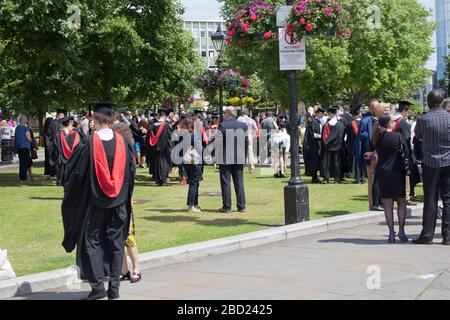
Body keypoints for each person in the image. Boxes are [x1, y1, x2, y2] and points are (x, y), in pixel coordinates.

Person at [61, 102, 136, 300]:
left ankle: (97, 288)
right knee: (116, 243)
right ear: (112, 119)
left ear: (94, 119)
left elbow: (74, 176)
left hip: (94, 204)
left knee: (91, 242)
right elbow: (130, 173)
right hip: (118, 204)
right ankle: (114, 288)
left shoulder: (87, 143)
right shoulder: (123, 143)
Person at [413, 90, 450, 245]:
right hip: (448, 160)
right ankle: (448, 236)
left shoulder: (423, 119)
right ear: (442, 101)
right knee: (448, 199)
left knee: (430, 199)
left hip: (430, 162)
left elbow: (418, 136)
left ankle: (427, 235)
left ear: (428, 102)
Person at [371, 114, 409, 243]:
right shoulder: (397, 137)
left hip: (383, 172)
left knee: (387, 204)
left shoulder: (377, 138)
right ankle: (402, 231)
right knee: (401, 202)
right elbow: (406, 153)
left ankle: (391, 233)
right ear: (389, 123)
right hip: (397, 171)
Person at [216, 107, 248, 213]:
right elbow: (246, 142)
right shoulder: (243, 126)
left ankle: (227, 206)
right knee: (239, 182)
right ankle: (241, 206)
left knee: (226, 182)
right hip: (239, 157)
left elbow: (218, 142)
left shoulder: (223, 125)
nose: (224, 114)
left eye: (225, 112)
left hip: (225, 157)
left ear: (229, 113)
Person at [355, 100, 383, 211]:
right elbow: (364, 140)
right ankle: (373, 204)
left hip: (378, 155)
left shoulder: (375, 121)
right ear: (373, 109)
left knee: (379, 180)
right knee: (372, 180)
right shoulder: (366, 121)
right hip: (371, 156)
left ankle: (379, 202)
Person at [393, 101, 420, 205]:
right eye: (407, 111)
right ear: (404, 110)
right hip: (405, 152)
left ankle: (405, 195)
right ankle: (407, 196)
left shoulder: (395, 121)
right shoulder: (403, 123)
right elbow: (406, 139)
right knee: (409, 173)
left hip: (397, 151)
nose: (408, 113)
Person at [180, 118, 204, 212]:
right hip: (195, 161)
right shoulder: (194, 135)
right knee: (194, 184)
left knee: (194, 183)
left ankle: (194, 204)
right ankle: (191, 205)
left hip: (187, 161)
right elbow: (200, 149)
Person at [146, 108, 173, 186]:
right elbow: (170, 137)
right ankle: (163, 180)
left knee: (157, 163)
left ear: (159, 115)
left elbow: (149, 136)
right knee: (164, 163)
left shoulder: (154, 125)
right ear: (165, 117)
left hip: (155, 147)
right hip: (164, 148)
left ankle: (158, 179)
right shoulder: (166, 125)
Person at [321, 107, 345, 184]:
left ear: (331, 114)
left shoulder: (326, 125)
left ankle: (326, 178)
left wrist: (326, 143)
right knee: (336, 162)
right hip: (338, 147)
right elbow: (341, 137)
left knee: (327, 163)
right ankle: (336, 179)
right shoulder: (340, 125)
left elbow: (324, 136)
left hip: (328, 146)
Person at [55, 116, 82, 185]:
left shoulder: (59, 134)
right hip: (73, 159)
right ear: (70, 123)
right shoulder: (77, 134)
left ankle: (62, 180)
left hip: (62, 159)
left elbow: (56, 147)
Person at [304, 107, 325, 183]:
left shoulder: (319, 122)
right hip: (314, 145)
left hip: (318, 144)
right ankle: (314, 177)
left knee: (317, 160)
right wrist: (321, 136)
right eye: (321, 113)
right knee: (314, 161)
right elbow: (312, 134)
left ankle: (315, 177)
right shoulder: (313, 122)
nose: (322, 115)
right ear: (317, 113)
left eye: (323, 113)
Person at [237, 107, 257, 174]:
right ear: (247, 113)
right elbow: (256, 130)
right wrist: (253, 135)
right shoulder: (251, 120)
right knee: (250, 153)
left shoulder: (238, 119)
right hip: (249, 137)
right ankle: (251, 168)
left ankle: (240, 167)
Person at [14, 116, 33, 182]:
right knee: (24, 164)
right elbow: (28, 138)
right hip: (25, 147)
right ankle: (23, 178)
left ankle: (23, 177)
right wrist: (32, 140)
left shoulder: (17, 128)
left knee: (23, 162)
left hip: (19, 147)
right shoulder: (25, 128)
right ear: (25, 121)